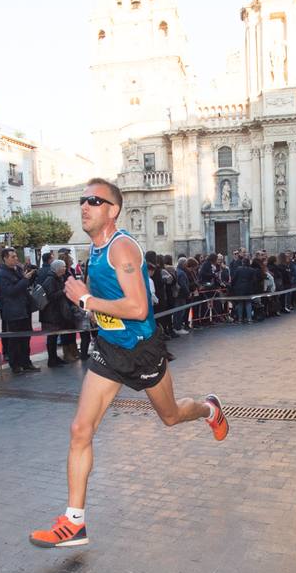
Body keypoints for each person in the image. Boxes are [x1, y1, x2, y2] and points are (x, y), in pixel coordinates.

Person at [29, 178, 229, 549]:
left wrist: (87, 301)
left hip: (141, 350)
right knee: (80, 429)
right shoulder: (95, 248)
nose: (84, 206)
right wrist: (90, 307)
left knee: (170, 416)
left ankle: (208, 409)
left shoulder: (121, 248)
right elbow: (108, 305)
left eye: (94, 200)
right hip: (108, 349)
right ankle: (74, 522)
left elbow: (138, 309)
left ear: (113, 209)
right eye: (82, 200)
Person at [0, 247, 38, 374]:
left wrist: (29, 278)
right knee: (15, 339)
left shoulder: (18, 269)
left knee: (26, 337)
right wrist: (25, 280)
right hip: (13, 310)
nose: (16, 259)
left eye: (15, 256)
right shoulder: (1, 274)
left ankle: (26, 362)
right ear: (5, 258)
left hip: (24, 308)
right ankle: (15, 364)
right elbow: (10, 292)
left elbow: (23, 286)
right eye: (12, 257)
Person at [39, 258, 72, 367]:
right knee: (51, 338)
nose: (65, 268)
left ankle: (54, 358)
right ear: (57, 268)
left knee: (54, 336)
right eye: (63, 267)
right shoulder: (51, 280)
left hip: (55, 312)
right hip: (51, 314)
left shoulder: (57, 278)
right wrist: (63, 291)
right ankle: (52, 359)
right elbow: (51, 296)